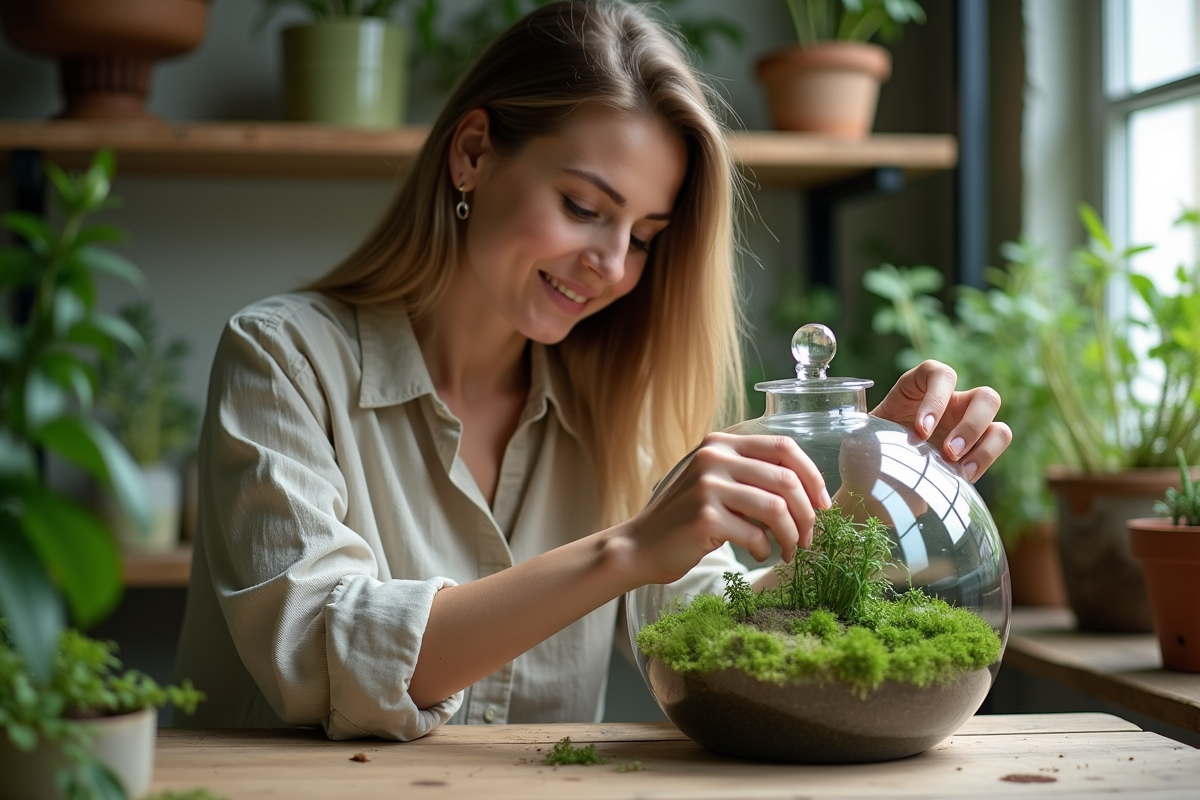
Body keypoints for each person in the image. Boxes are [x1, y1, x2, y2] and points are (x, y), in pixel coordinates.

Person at [175, 0, 1011, 740]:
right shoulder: (282, 359)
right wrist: (627, 548)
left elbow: (710, 624)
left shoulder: (620, 408)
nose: (612, 264)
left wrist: (860, 502)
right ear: (472, 153)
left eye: (645, 235)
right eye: (583, 207)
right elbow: (318, 653)